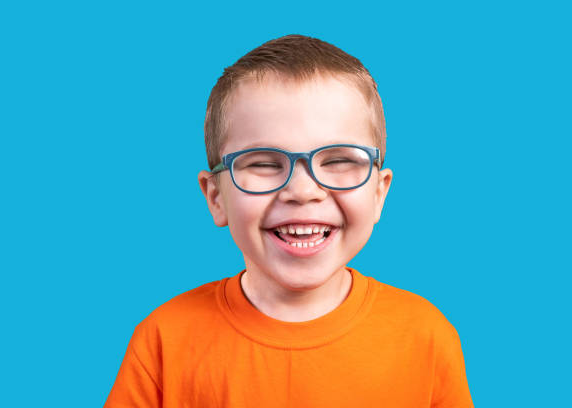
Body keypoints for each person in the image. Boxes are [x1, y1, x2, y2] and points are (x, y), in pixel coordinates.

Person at [104, 34, 474, 407]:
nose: (303, 190)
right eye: (263, 163)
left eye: (339, 160)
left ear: (379, 193)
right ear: (216, 197)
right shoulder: (164, 339)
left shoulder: (425, 335)